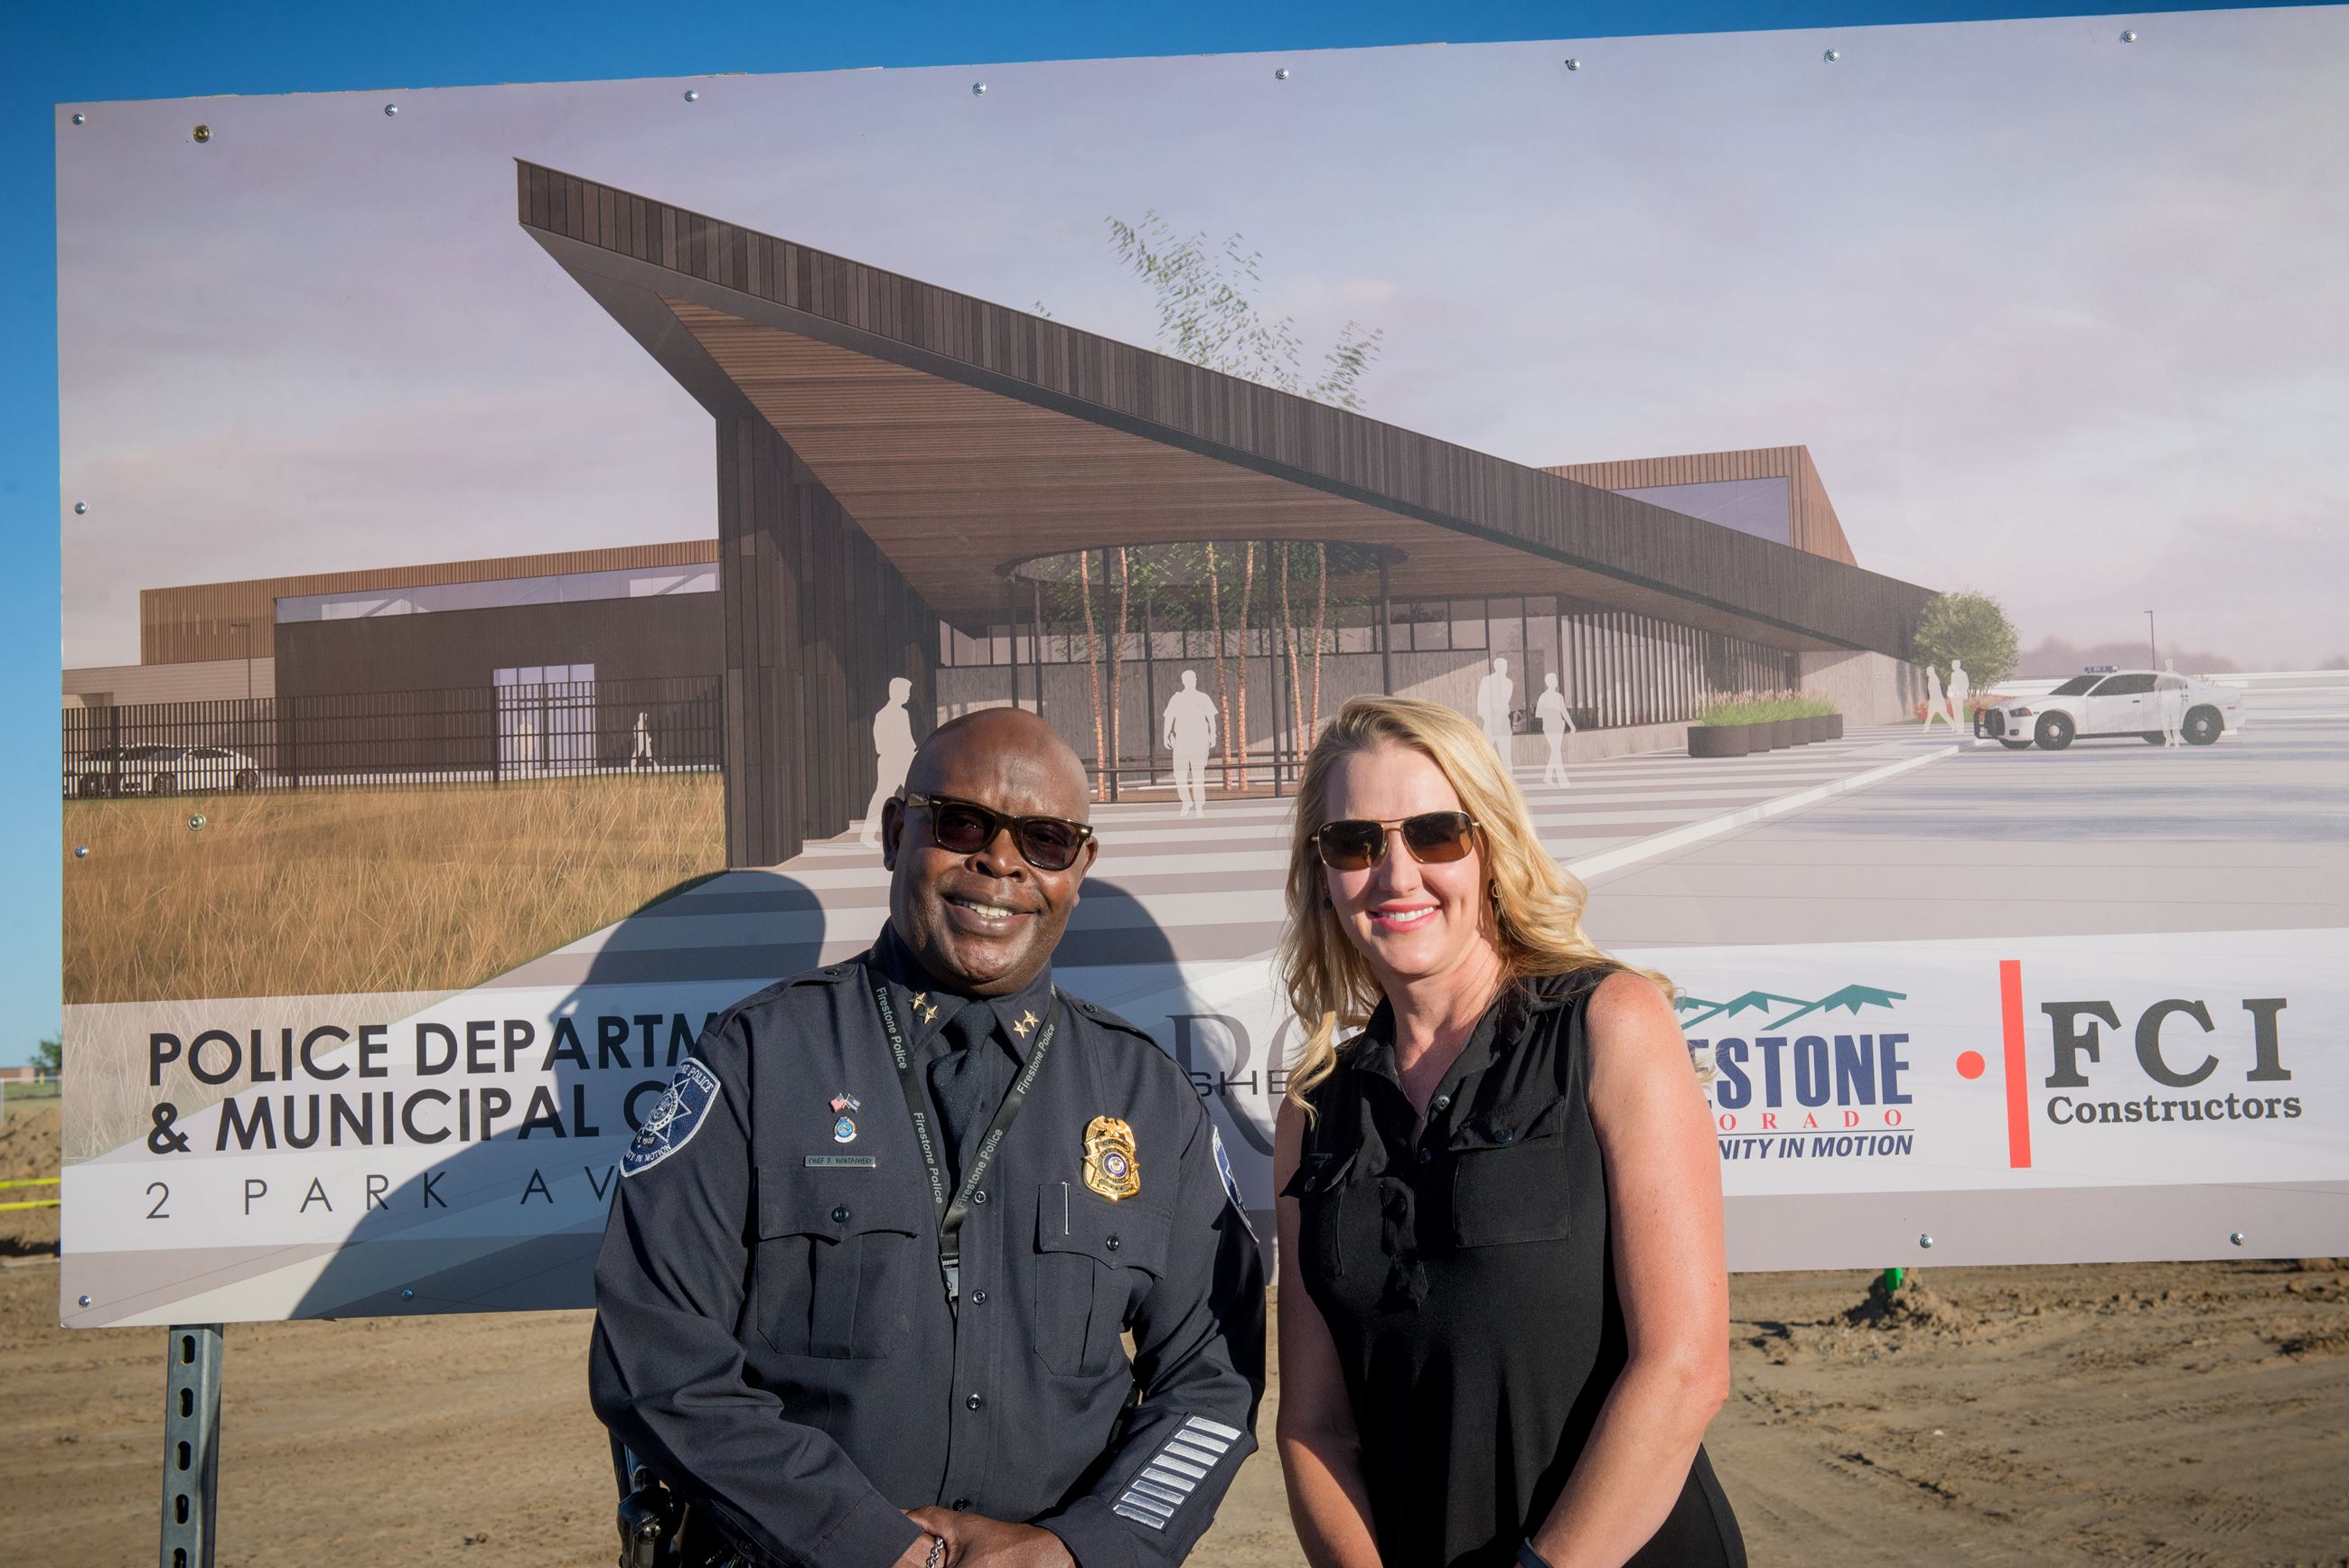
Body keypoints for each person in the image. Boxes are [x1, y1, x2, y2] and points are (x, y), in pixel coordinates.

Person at [593, 706, 1266, 1568]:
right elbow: (656, 1356)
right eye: (961, 823)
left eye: (1046, 840)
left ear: (1079, 867)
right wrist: (868, 1546)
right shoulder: (758, 1060)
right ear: (893, 832)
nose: (1001, 861)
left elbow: (1212, 1383)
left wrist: (1078, 1550)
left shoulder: (1148, 1098)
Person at [1271, 695, 1744, 1568]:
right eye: (1356, 843)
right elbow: (1313, 1425)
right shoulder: (1313, 1114)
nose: (1396, 873)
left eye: (1435, 833)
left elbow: (1683, 1372)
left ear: (1489, 847)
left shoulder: (1611, 1022)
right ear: (1323, 874)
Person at [860, 677, 919, 848]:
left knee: (915, 794)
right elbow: (881, 744)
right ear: (896, 692)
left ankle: (916, 832)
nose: (908, 695)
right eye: (906, 691)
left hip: (903, 759)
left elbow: (908, 740)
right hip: (891, 761)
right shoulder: (884, 715)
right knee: (883, 797)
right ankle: (867, 835)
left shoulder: (902, 713)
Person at [1163, 670, 1219, 818]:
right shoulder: (1177, 698)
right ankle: (1186, 801)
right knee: (1180, 774)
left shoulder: (1203, 698)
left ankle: (1199, 805)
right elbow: (1169, 717)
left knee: (1198, 773)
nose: (1191, 681)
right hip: (1181, 739)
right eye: (1188, 679)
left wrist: (1213, 735)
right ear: (1184, 681)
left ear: (1195, 680)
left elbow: (1210, 718)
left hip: (1198, 739)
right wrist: (1166, 735)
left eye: (1192, 678)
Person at [1534, 672, 1576, 787]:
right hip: (1549, 726)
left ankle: (1548, 777)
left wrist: (1571, 725)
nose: (1556, 682)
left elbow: (1564, 712)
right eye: (1555, 680)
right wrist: (1551, 710)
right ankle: (1563, 780)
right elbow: (1538, 713)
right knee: (1556, 751)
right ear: (1550, 682)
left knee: (1555, 751)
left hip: (1558, 726)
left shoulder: (1559, 697)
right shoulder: (1544, 696)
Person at [1474, 657, 1514, 761]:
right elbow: (1481, 699)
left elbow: (1504, 700)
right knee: (1484, 751)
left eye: (1506, 666)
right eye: (1504, 666)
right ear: (1497, 667)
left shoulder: (1508, 682)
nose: (1505, 669)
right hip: (1490, 719)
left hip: (1503, 720)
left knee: (1506, 753)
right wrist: (1486, 717)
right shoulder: (1487, 680)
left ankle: (1508, 776)